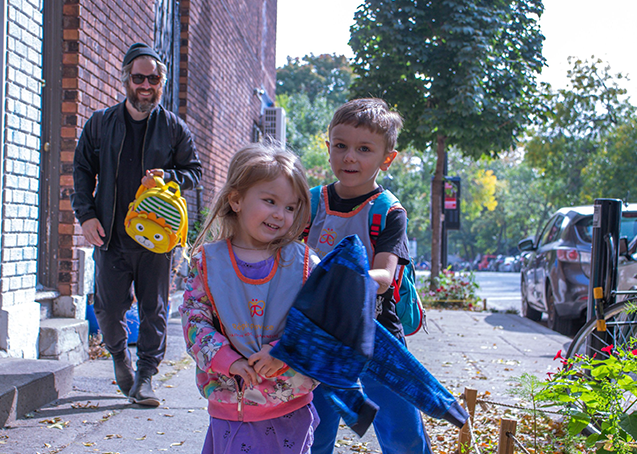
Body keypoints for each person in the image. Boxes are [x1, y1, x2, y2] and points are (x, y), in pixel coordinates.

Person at [71, 43, 202, 407]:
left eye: (153, 78)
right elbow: (82, 170)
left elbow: (194, 173)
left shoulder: (175, 128)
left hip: (157, 238)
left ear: (162, 82)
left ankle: (146, 376)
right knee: (109, 310)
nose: (146, 85)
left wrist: (169, 177)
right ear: (126, 78)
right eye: (139, 77)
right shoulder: (100, 123)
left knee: (153, 309)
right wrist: (86, 215)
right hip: (110, 234)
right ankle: (118, 356)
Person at [304, 98, 433, 453]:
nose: (350, 157)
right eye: (341, 146)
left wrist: (338, 276)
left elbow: (385, 276)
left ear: (386, 159)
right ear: (328, 146)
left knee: (403, 434)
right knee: (313, 433)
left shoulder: (388, 211)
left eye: (364, 149)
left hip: (377, 339)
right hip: (320, 341)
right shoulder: (308, 201)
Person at [180, 143, 320, 454]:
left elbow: (323, 323)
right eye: (270, 201)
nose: (280, 215)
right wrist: (227, 360)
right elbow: (194, 318)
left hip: (290, 408)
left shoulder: (305, 263)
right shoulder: (208, 261)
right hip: (231, 407)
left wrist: (283, 350)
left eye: (290, 207)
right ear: (236, 199)